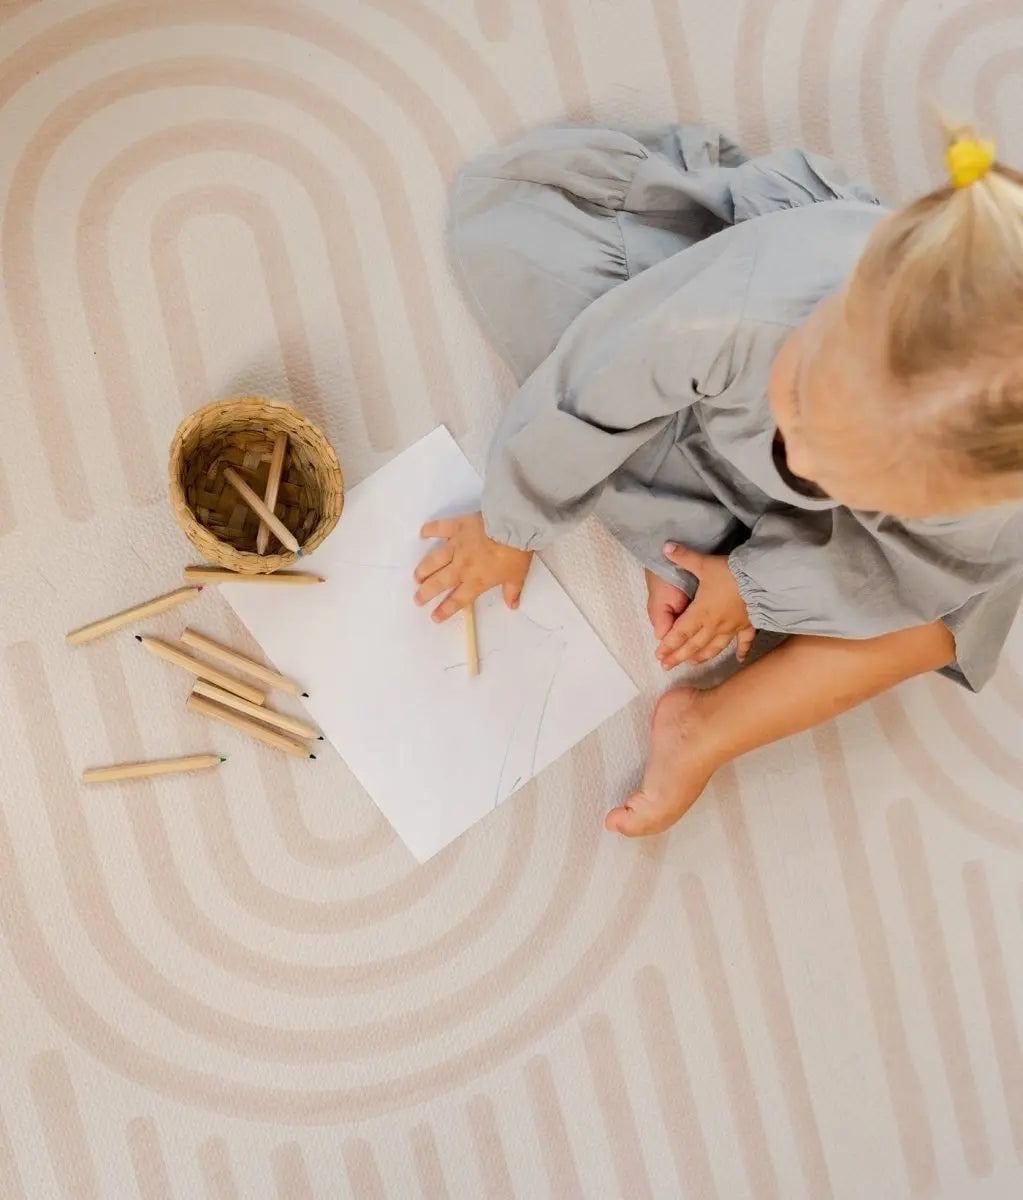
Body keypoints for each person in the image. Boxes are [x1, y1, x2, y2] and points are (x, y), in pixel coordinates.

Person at [412, 121, 1023, 838]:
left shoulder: (983, 503)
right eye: (801, 407)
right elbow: (590, 389)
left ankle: (706, 728)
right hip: (700, 397)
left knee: (936, 628)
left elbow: (898, 574)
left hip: (858, 543)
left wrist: (754, 583)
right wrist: (507, 526)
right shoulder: (744, 311)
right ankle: (683, 540)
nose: (809, 458)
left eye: (849, 474)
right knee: (563, 328)